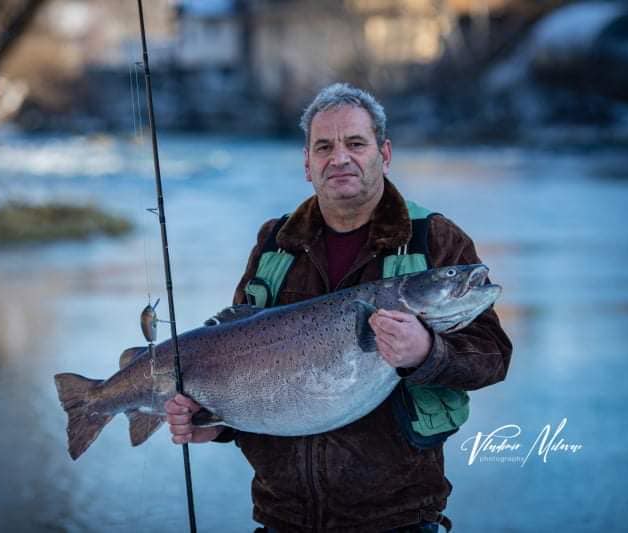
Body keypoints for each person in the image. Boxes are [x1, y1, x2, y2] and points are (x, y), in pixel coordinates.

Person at [164, 83, 512, 533]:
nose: (339, 157)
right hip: (281, 517)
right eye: (324, 146)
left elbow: (494, 356)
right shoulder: (275, 243)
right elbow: (242, 359)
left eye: (355, 143)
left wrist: (428, 353)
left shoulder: (434, 237)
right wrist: (214, 423)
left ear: (383, 154)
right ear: (307, 164)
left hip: (398, 520)